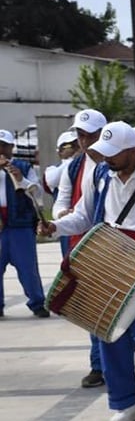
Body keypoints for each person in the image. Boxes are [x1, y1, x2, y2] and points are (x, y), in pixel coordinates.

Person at [39, 122, 135, 421]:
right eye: (104, 153)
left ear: (133, 150)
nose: (107, 159)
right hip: (107, 256)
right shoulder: (99, 173)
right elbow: (83, 216)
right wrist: (55, 227)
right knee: (109, 333)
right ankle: (125, 402)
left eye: (114, 153)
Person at [55, 108, 109, 388]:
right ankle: (98, 365)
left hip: (114, 245)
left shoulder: (116, 161)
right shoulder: (74, 166)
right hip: (82, 242)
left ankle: (118, 360)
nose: (85, 141)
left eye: (91, 135)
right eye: (81, 135)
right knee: (91, 306)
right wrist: (60, 215)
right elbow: (64, 200)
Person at [0, 130, 48, 318]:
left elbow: (37, 194)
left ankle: (37, 303)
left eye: (5, 145)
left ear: (12, 148)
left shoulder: (23, 166)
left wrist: (20, 178)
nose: (1, 149)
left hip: (20, 226)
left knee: (28, 268)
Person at [44, 131, 80, 258]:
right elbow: (51, 180)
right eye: (71, 146)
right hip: (66, 221)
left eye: (77, 145)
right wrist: (75, 159)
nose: (76, 149)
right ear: (59, 151)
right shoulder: (53, 170)